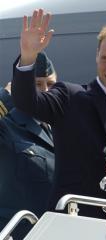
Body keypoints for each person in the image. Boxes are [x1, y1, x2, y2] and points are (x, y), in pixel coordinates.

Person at [12, 9, 106, 219]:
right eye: (105, 58)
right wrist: (28, 56)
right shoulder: (70, 96)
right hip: (74, 220)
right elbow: (27, 102)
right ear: (97, 55)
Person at [0, 52, 56, 239]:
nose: (46, 91)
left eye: (51, 84)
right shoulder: (6, 125)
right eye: (38, 84)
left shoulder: (61, 127)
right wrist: (6, 96)